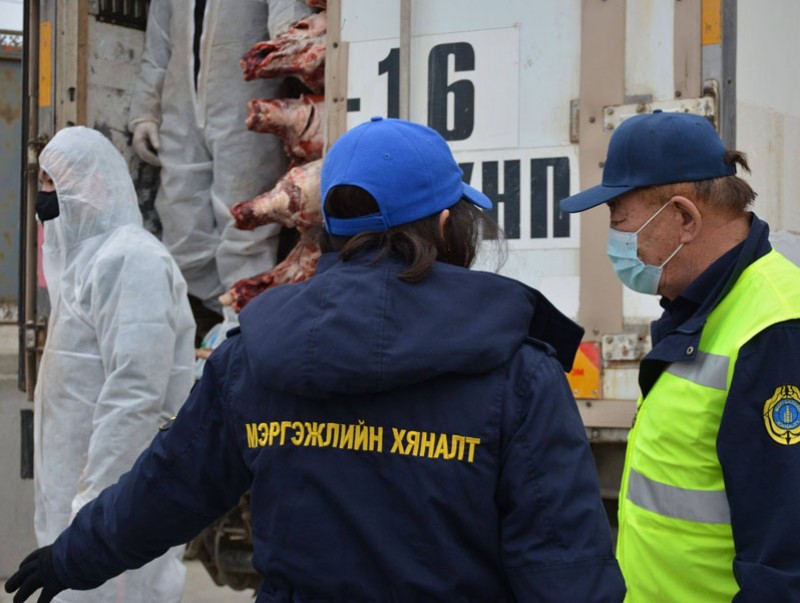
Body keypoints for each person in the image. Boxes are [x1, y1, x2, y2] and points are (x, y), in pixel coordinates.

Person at [6, 117, 626, 603]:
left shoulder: (253, 356)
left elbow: (168, 488)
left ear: (326, 228)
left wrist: (72, 556)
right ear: (445, 224)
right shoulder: (517, 371)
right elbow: (564, 564)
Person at [559, 111, 800, 601]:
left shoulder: (774, 330)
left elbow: (784, 564)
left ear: (685, 218)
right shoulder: (701, 307)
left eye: (619, 219)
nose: (616, 240)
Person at [29, 126, 197, 603]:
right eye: (41, 182)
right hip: (79, 516)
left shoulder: (130, 260)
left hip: (111, 518)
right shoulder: (87, 267)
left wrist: (93, 515)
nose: (45, 196)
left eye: (54, 182)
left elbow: (134, 397)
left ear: (97, 185)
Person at [129, 0, 313, 323]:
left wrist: (291, 40)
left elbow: (288, 21)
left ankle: (242, 326)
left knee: (245, 229)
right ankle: (226, 318)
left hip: (245, 109)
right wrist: (146, 110)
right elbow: (158, 47)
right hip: (180, 114)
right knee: (182, 234)